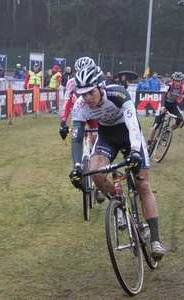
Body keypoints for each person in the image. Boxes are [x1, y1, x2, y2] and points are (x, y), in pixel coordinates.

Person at [69, 63, 165, 261]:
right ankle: (119, 205)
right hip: (107, 138)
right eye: (82, 93)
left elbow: (133, 126)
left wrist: (136, 151)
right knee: (95, 171)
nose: (86, 98)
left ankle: (155, 239)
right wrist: (77, 167)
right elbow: (77, 140)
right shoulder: (79, 106)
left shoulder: (118, 95)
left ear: (101, 87)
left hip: (130, 135)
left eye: (90, 92)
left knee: (143, 184)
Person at [59, 57, 104, 202]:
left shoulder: (98, 80)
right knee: (76, 138)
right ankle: (78, 165)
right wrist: (63, 121)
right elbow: (66, 102)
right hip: (80, 112)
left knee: (96, 140)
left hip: (95, 113)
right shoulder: (72, 82)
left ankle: (99, 187)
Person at [147, 71, 184, 150]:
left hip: (173, 106)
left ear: (181, 82)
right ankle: (149, 143)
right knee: (156, 124)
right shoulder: (169, 86)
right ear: (173, 80)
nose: (177, 83)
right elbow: (163, 96)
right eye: (175, 81)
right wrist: (162, 106)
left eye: (179, 81)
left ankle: (167, 131)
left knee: (179, 120)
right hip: (164, 104)